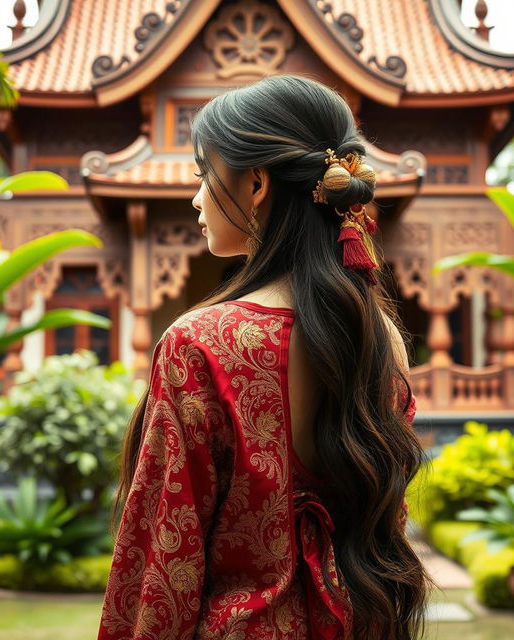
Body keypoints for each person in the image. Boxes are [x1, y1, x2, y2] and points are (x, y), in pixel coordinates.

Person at [97, 74, 430, 640]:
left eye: (205, 174)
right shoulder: (384, 341)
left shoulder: (202, 342)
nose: (196, 197)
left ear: (256, 183)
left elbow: (161, 561)